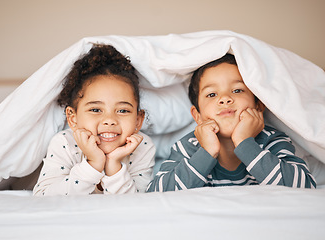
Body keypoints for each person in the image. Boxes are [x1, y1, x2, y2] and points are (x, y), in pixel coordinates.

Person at [146, 53, 316, 192]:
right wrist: (207, 152)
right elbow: (158, 193)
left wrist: (245, 143)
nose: (225, 99)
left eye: (237, 90)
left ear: (258, 105)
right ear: (197, 115)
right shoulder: (188, 147)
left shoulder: (272, 141)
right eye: (212, 94)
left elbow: (305, 187)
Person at [33, 44, 156, 196]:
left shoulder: (141, 146)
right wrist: (93, 164)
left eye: (123, 110)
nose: (110, 120)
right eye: (96, 110)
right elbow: (42, 196)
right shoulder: (65, 143)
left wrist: (114, 166)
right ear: (73, 118)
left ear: (138, 120)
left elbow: (138, 202)